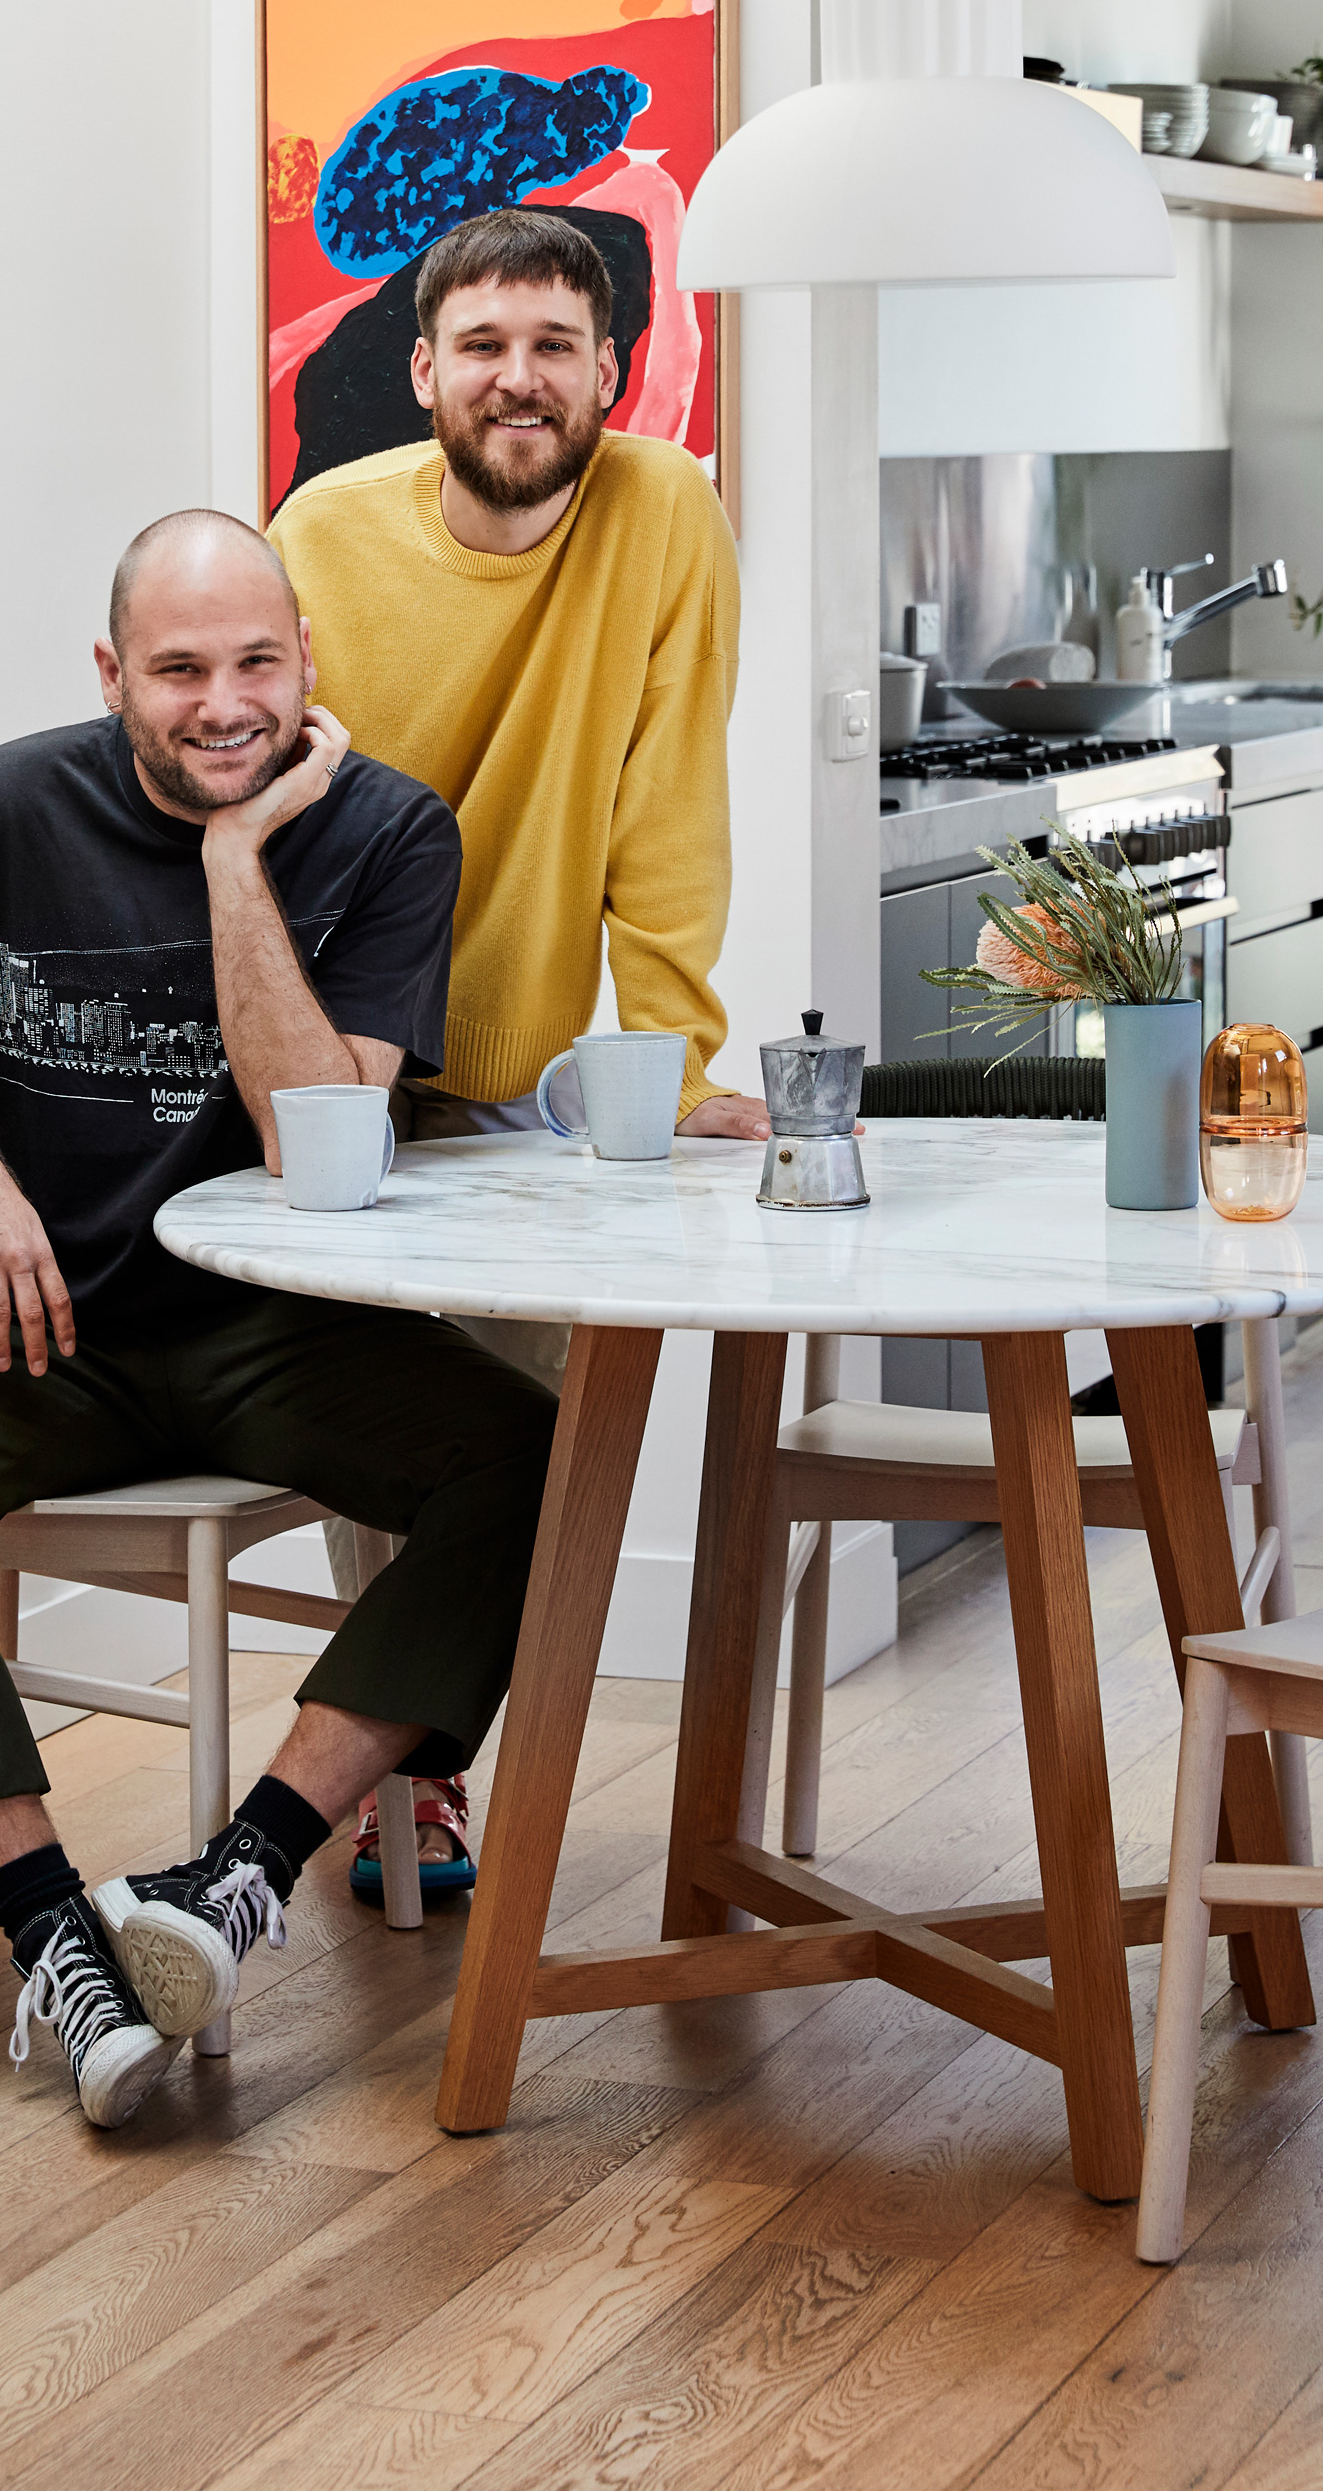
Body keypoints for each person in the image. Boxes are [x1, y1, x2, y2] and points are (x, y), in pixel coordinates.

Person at [0, 511, 556, 2130]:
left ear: (308, 662)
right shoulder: (1, 808)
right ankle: (58, 1933)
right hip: (61, 1331)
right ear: (113, 674)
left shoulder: (394, 835)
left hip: (290, 1326)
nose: (224, 703)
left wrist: (236, 858)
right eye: (179, 670)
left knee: (539, 1455)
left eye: (259, 661)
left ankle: (237, 1877)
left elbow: (312, 1130)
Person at [268, 205, 765, 1899]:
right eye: (483, 344)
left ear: (612, 370)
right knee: (382, 1430)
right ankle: (397, 1779)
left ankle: (421, 1765)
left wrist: (675, 1067)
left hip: (521, 1069)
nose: (520, 377)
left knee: (523, 1440)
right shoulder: (323, 533)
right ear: (421, 371)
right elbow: (264, 804)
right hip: (332, 1058)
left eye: (556, 343)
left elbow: (669, 802)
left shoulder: (666, 515)